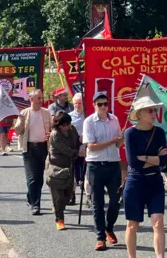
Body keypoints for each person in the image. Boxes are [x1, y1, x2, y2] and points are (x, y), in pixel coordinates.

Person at [124, 96, 167, 258]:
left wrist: (145, 158)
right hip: (135, 182)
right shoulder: (130, 133)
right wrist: (154, 158)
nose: (154, 113)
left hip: (155, 181)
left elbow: (164, 161)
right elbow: (133, 162)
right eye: (150, 110)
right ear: (140, 114)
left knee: (158, 222)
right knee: (132, 225)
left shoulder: (160, 132)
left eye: (155, 110)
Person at [83, 92, 123, 251]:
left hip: (113, 164)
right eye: (100, 104)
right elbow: (91, 146)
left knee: (116, 200)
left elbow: (118, 145)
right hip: (95, 165)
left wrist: (124, 137)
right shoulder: (89, 121)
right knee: (97, 203)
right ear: (94, 105)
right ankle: (100, 237)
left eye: (105, 104)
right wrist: (113, 141)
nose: (103, 107)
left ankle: (109, 227)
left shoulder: (115, 120)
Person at [14, 89, 52, 215]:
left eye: (41, 98)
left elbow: (52, 130)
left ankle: (31, 196)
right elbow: (17, 131)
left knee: (39, 178)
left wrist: (50, 135)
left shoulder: (46, 113)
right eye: (38, 98)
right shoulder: (24, 113)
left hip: (43, 147)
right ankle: (36, 205)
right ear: (31, 99)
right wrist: (22, 121)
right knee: (32, 177)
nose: (41, 100)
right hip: (29, 148)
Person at [46, 111, 79, 230]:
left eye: (68, 124)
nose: (66, 127)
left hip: (69, 166)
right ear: (58, 125)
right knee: (58, 196)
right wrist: (77, 153)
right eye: (63, 125)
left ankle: (59, 208)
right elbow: (67, 150)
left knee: (68, 194)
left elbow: (77, 143)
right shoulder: (55, 134)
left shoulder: (72, 130)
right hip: (56, 167)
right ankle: (59, 219)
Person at [68, 93, 85, 205]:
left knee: (86, 174)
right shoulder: (69, 116)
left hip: (86, 148)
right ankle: (71, 195)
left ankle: (88, 196)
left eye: (79, 103)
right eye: (75, 103)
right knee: (72, 174)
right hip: (73, 148)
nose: (77, 106)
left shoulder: (89, 115)